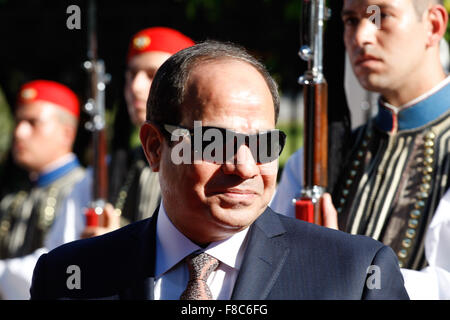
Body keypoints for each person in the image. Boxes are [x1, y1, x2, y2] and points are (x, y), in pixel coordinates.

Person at [30, 41, 408, 300]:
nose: (245, 167)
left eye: (263, 145)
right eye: (215, 143)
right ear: (155, 147)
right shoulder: (69, 276)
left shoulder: (353, 276)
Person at [270, 0, 450, 298]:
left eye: (381, 16)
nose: (361, 36)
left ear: (433, 25)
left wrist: (347, 267)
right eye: (351, 20)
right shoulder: (317, 160)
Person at [62, 27, 195, 239]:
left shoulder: (209, 164)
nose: (135, 87)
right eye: (131, 75)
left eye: (152, 75)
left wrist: (120, 246)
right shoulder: (99, 174)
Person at [0, 80, 85, 299]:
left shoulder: (83, 189)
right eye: (19, 121)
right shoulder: (16, 195)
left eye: (33, 122)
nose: (19, 132)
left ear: (66, 133)